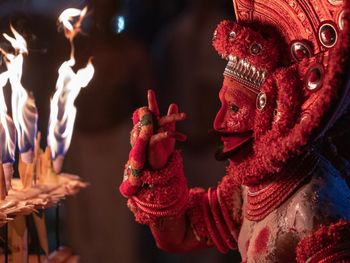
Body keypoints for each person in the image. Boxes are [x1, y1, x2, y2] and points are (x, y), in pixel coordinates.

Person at [119, 0, 350, 262]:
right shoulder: (250, 188)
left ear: (273, 113)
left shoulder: (314, 206)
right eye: (222, 105)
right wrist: (158, 167)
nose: (218, 123)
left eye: (234, 108)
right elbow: (180, 234)